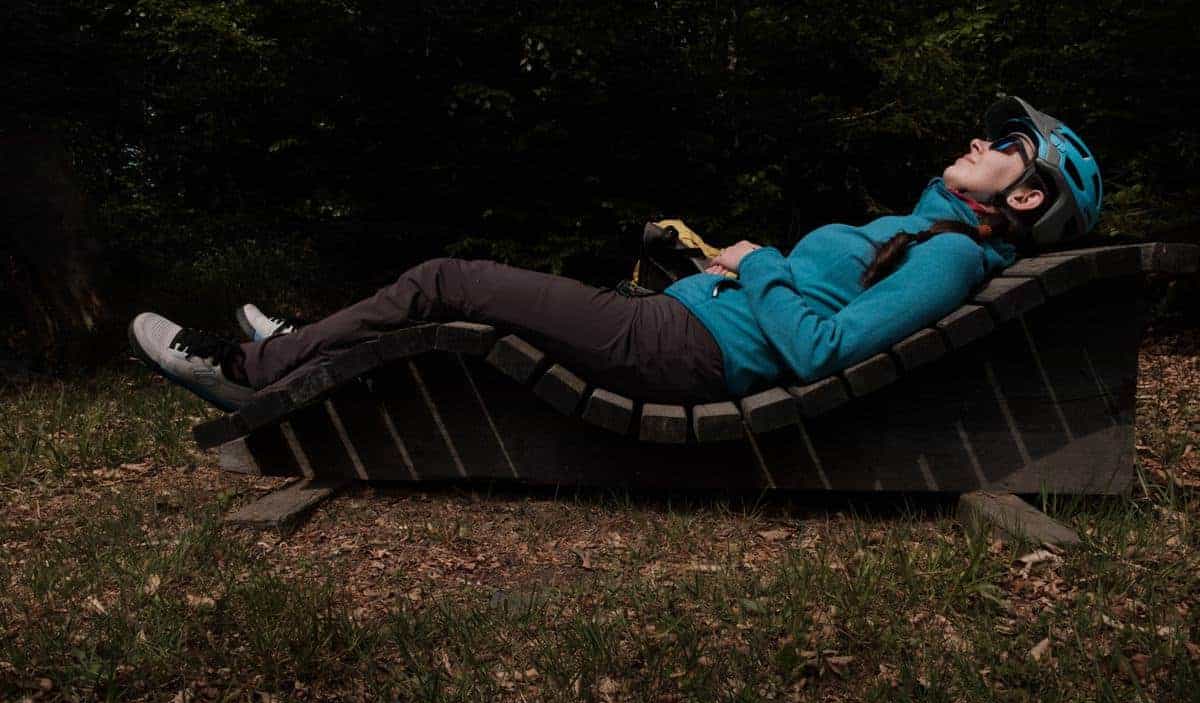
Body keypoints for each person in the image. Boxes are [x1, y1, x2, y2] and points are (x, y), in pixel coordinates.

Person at [128, 95, 1102, 412]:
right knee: (448, 305)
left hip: (681, 351)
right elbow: (806, 305)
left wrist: (755, 263)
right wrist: (732, 270)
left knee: (447, 281)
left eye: (1002, 146)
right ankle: (298, 347)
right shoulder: (928, 230)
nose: (980, 141)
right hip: (689, 324)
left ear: (1025, 195)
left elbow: (819, 352)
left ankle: (254, 367)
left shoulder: (947, 259)